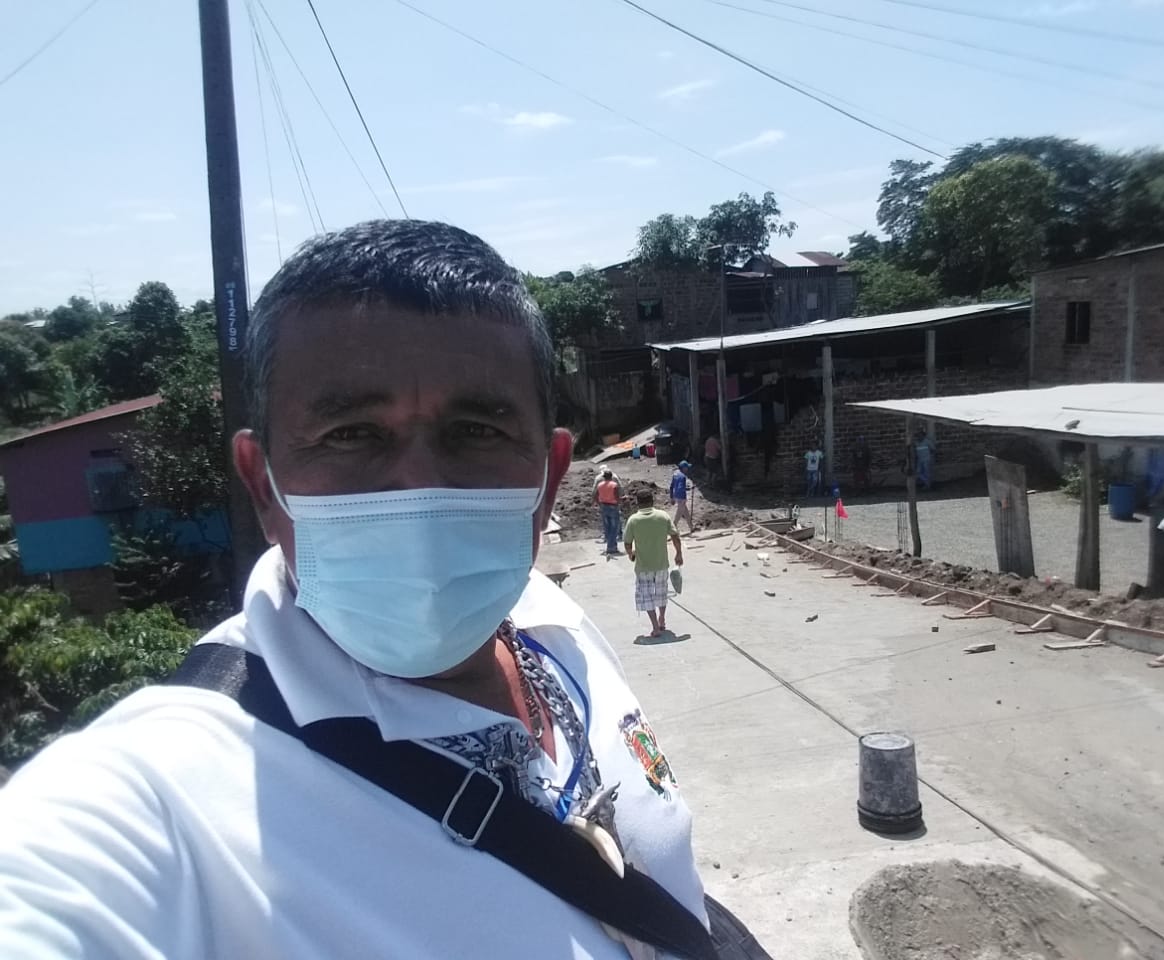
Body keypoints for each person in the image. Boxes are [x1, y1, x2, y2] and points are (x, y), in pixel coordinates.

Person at [0, 221, 708, 958]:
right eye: (350, 434)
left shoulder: (555, 625)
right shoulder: (164, 801)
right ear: (262, 485)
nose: (419, 488)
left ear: (550, 474)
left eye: (476, 431)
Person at [624, 489, 683, 638]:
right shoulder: (663, 516)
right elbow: (675, 536)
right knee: (661, 593)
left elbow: (627, 543)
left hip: (643, 566)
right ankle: (662, 618)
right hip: (661, 564)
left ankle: (655, 627)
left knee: (647, 597)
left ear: (638, 503)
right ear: (652, 501)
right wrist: (679, 553)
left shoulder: (633, 520)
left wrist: (631, 554)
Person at [594, 468, 623, 555]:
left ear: (604, 477)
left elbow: (595, 495)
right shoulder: (614, 485)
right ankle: (611, 547)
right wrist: (620, 501)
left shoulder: (599, 485)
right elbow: (616, 496)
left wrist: (599, 503)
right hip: (613, 506)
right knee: (614, 527)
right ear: (611, 476)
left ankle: (611, 545)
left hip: (603, 506)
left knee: (607, 527)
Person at [669, 460, 694, 534]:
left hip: (676, 496)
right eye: (687, 468)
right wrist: (689, 488)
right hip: (681, 497)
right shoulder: (683, 476)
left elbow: (671, 486)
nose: (687, 469)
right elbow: (681, 487)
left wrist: (671, 497)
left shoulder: (675, 473)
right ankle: (673, 527)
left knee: (686, 512)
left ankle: (691, 527)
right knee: (679, 513)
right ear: (684, 468)